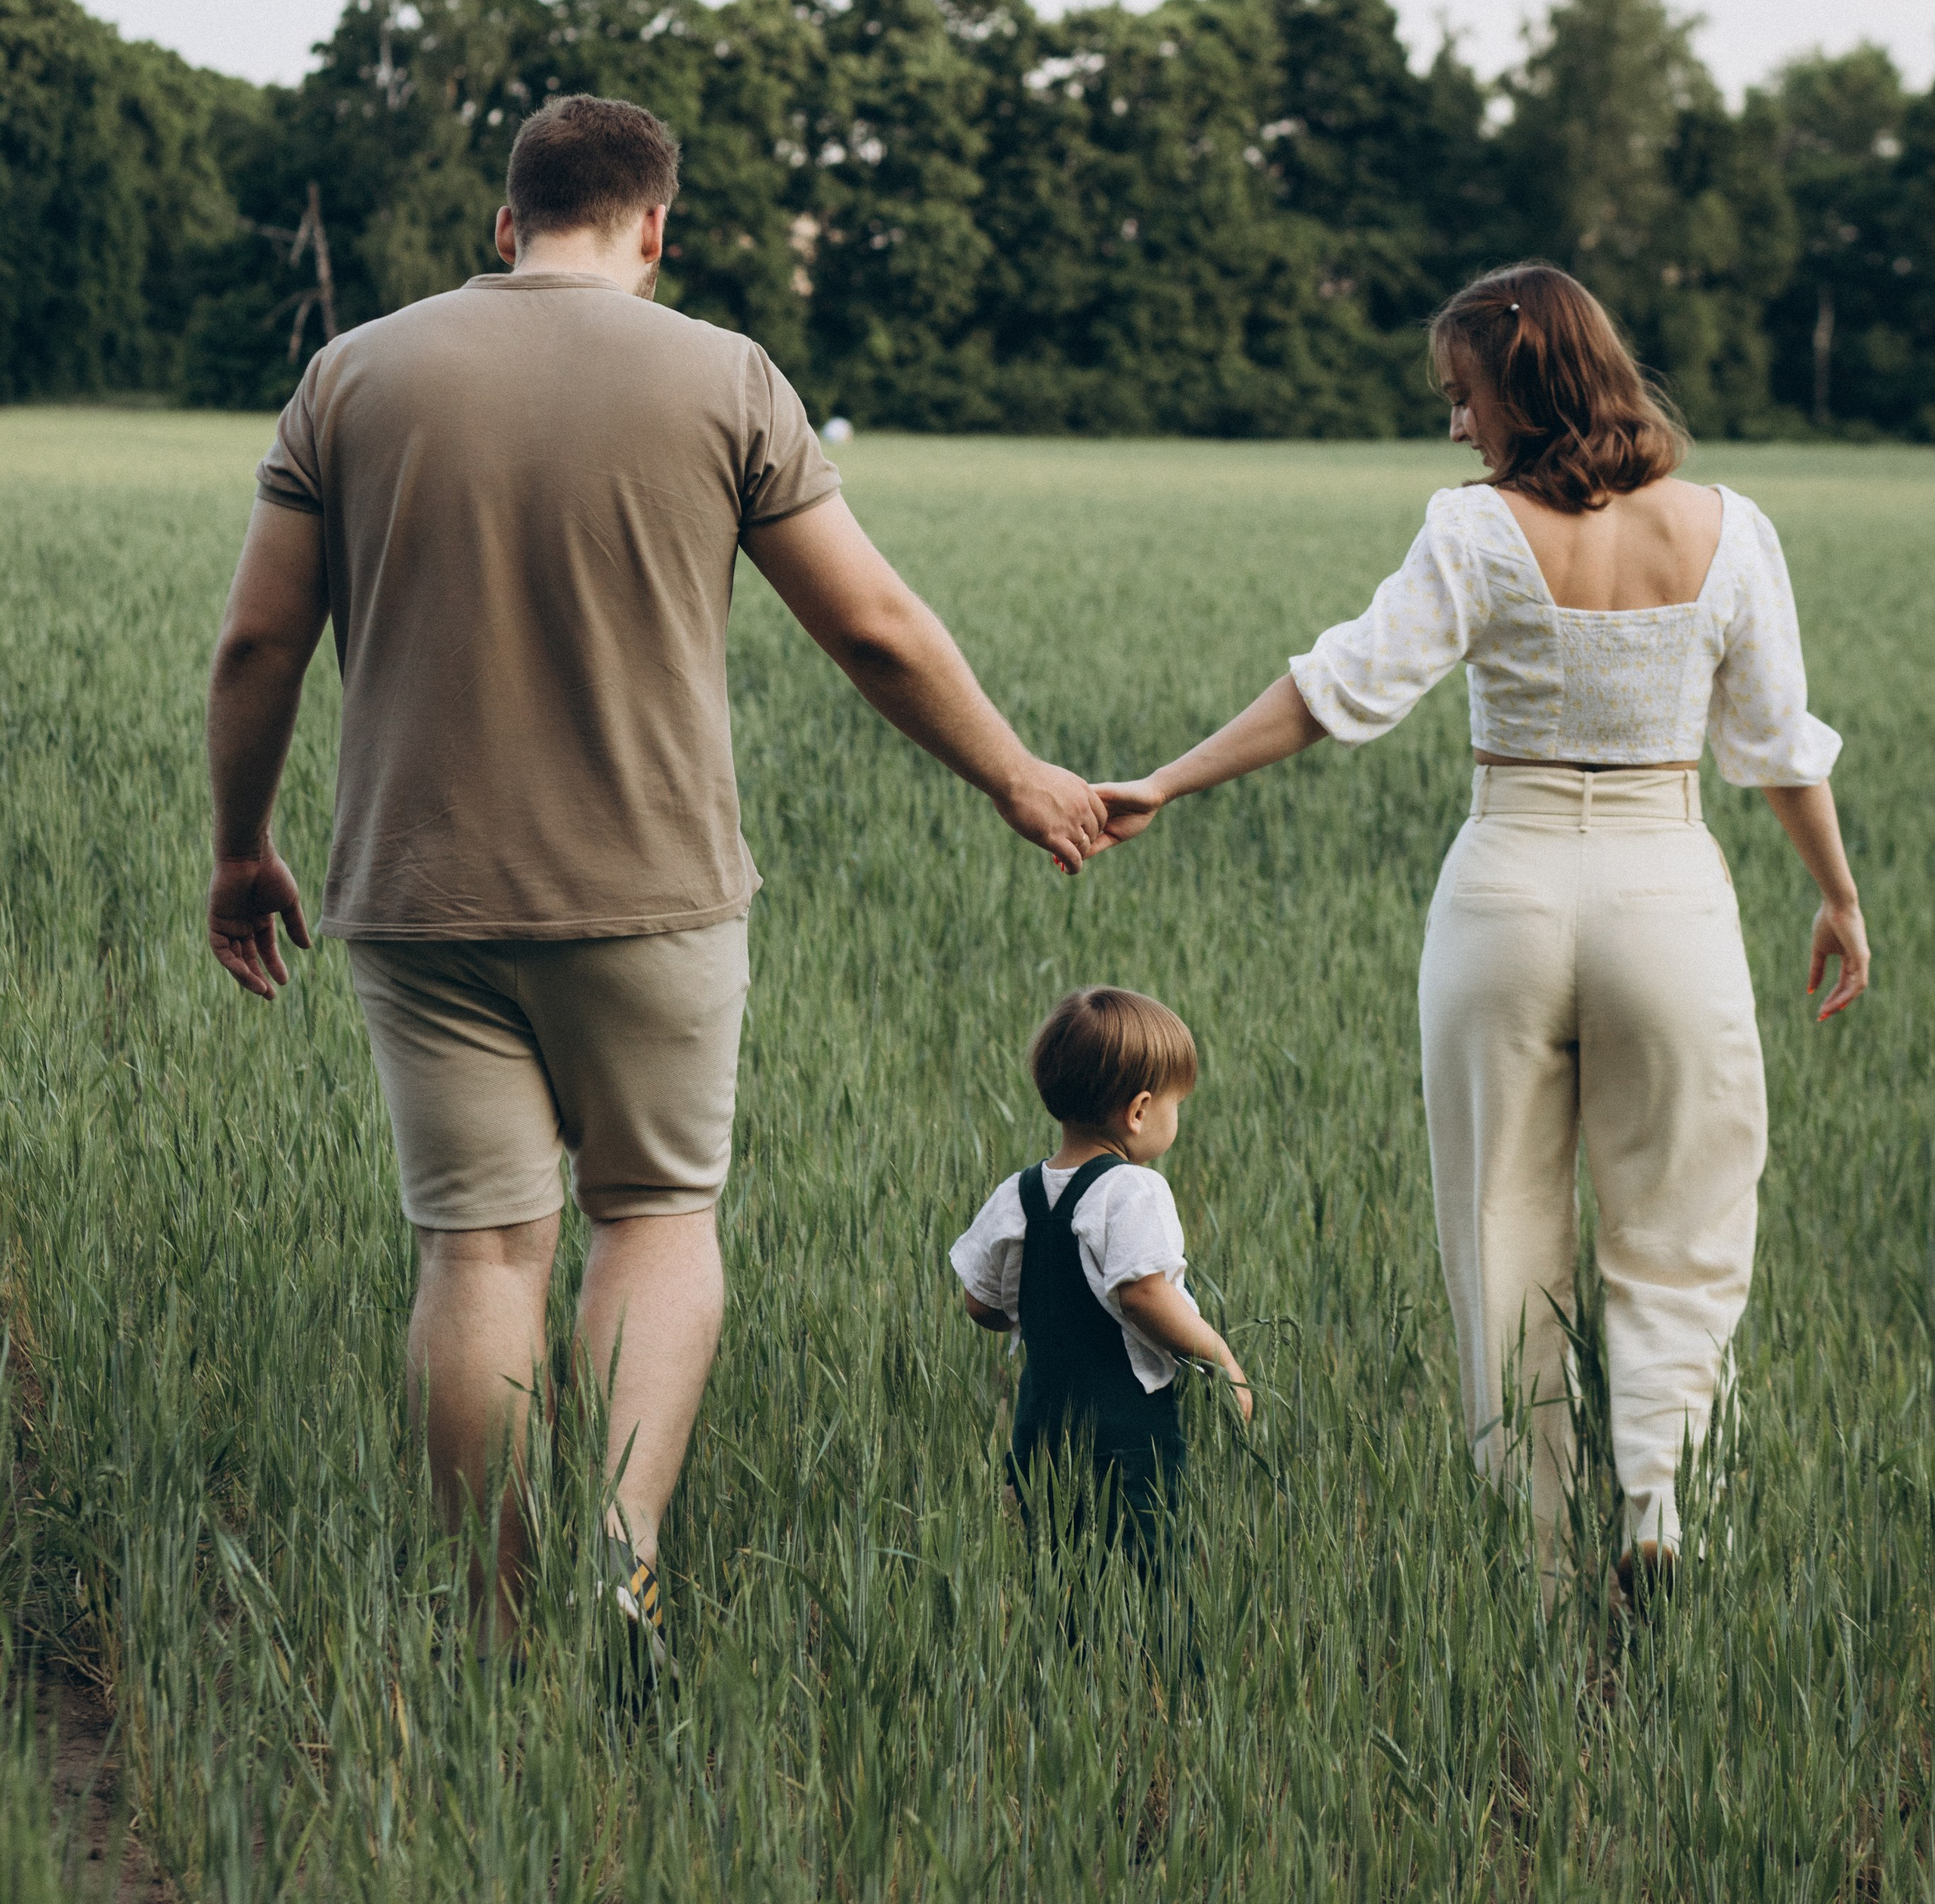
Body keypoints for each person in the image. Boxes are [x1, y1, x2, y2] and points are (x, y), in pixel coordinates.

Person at [203, 92, 1107, 1662]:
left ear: (505, 223)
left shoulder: (348, 378)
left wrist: (240, 845)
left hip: (415, 898)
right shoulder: (725, 377)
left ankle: (491, 1617)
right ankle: (616, 1567)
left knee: (479, 1248)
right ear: (653, 230)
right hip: (656, 896)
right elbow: (875, 630)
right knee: (652, 1215)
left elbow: (257, 640)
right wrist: (1019, 778)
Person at [1094, 263, 1868, 1605]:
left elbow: (1333, 689)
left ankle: (1536, 1563)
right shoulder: (1732, 530)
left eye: (1464, 397)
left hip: (1504, 892)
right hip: (1668, 893)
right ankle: (1663, 1514)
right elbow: (1779, 744)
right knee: (1680, 1230)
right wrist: (1840, 896)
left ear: (1527, 385)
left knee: (1503, 1237)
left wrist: (1166, 777)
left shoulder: (1473, 533)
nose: (1456, 427)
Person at [949, 986, 1251, 1559]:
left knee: (1057, 1581)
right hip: (1124, 1443)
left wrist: (1044, 1311)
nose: (1176, 1116)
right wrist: (1219, 1357)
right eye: (1175, 1103)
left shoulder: (1018, 1193)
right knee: (1143, 1581)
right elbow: (1142, 1295)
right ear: (1139, 1112)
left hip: (1039, 1435)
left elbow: (979, 1302)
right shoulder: (1134, 1191)